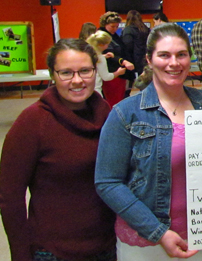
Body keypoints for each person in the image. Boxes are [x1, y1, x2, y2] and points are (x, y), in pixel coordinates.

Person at [95, 23, 202, 260]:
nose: (174, 63)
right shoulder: (125, 113)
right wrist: (159, 232)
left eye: (181, 55)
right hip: (147, 238)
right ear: (149, 60)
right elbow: (108, 182)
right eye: (164, 55)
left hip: (201, 231)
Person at [0, 38, 115, 261]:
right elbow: (10, 197)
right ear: (53, 75)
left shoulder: (107, 114)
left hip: (107, 245)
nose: (77, 80)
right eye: (66, 73)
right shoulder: (33, 121)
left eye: (85, 71)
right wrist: (21, 254)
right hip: (52, 250)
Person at [99, 11, 135, 107]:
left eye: (116, 26)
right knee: (113, 101)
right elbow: (109, 54)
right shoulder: (102, 36)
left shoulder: (113, 36)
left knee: (119, 99)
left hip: (119, 72)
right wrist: (123, 61)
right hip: (111, 72)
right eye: (112, 26)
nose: (115, 29)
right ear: (105, 24)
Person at [86, 30, 127, 97]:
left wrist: (104, 56)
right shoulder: (100, 58)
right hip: (96, 91)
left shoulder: (87, 55)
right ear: (101, 45)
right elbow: (106, 77)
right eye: (107, 44)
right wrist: (118, 72)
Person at [122, 10, 150, 84]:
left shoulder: (128, 30)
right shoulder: (145, 29)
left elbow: (127, 46)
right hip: (146, 59)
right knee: (146, 83)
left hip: (132, 61)